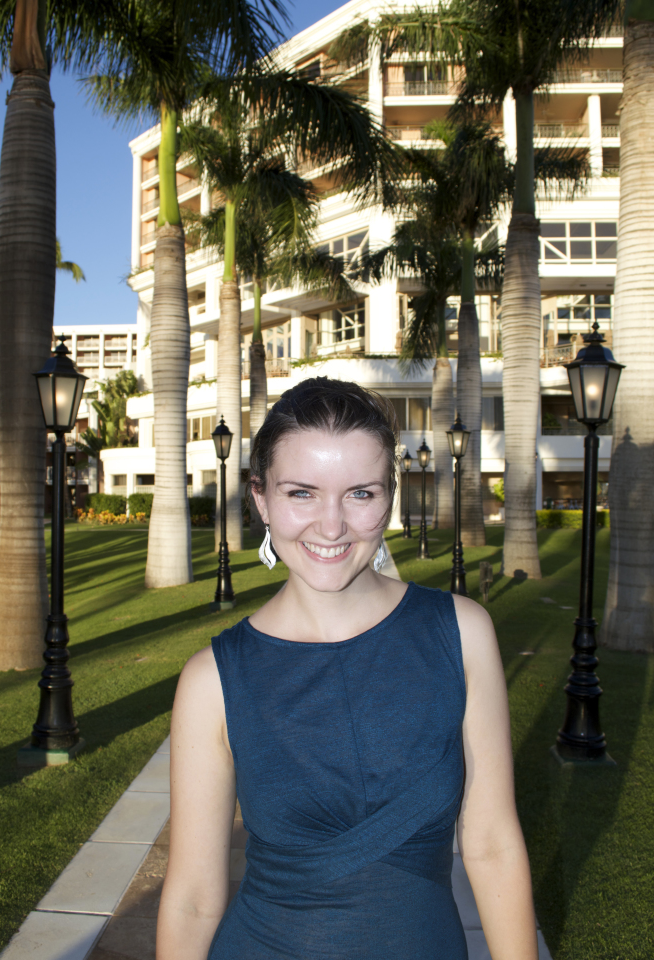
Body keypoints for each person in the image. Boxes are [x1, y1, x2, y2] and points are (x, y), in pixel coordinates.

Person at [157, 377, 538, 960]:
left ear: (390, 495)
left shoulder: (461, 633)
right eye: (302, 493)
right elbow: (191, 898)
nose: (331, 526)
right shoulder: (212, 679)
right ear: (260, 498)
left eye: (360, 494)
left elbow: (491, 844)